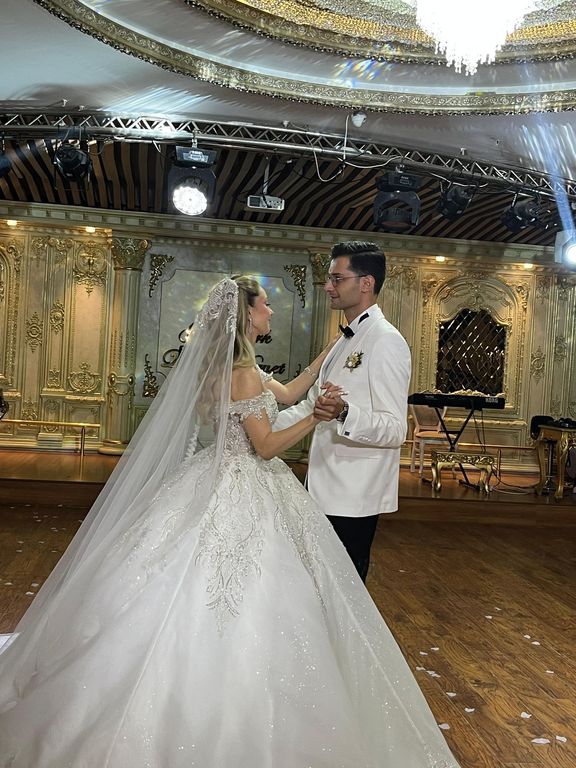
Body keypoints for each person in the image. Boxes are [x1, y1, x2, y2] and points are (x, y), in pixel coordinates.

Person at [0, 276, 458, 768]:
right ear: (248, 316)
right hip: (244, 479)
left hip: (212, 475)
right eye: (266, 306)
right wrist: (317, 419)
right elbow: (265, 446)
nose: (271, 313)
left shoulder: (236, 368)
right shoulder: (243, 374)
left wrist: (331, 351)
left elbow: (289, 392)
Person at [274, 241, 411, 582]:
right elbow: (312, 406)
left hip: (354, 496)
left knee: (346, 591)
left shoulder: (386, 340)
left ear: (366, 283)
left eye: (337, 278)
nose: (327, 286)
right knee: (318, 587)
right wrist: (260, 425)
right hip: (321, 488)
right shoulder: (343, 340)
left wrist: (345, 412)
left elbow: (395, 429)